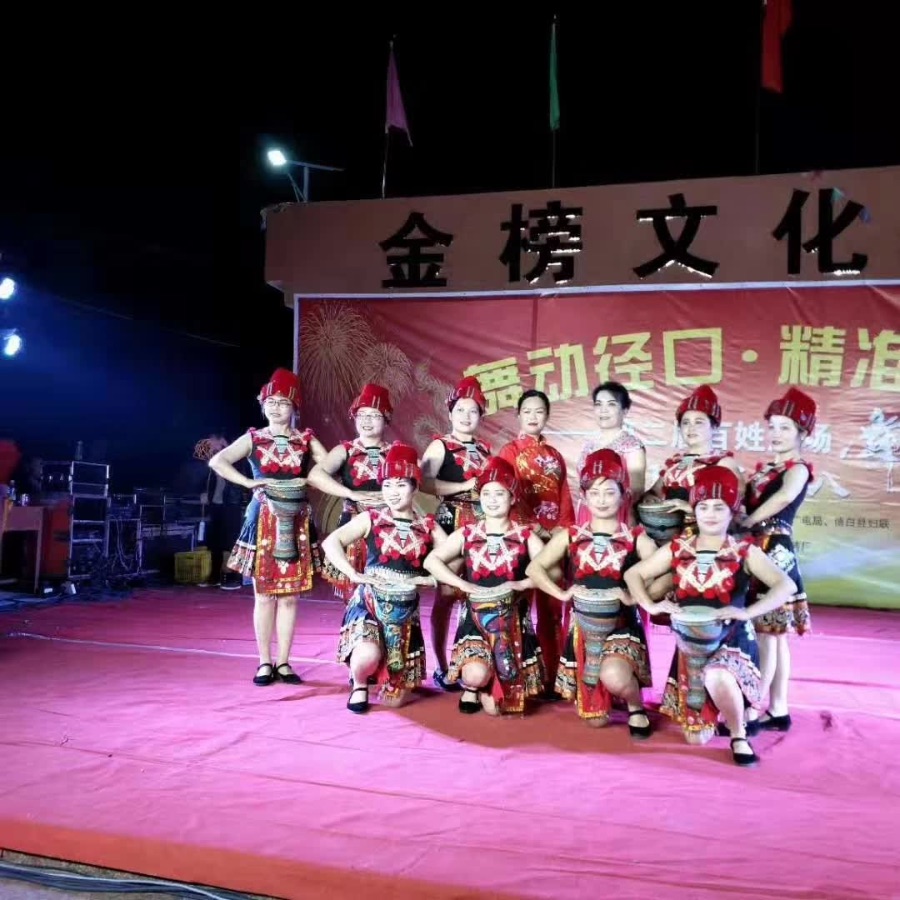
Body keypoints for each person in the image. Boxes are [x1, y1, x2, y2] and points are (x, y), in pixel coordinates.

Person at [623, 465, 796, 766]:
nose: (711, 514)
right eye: (703, 507)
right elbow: (634, 574)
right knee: (696, 739)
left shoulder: (743, 550)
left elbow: (786, 585)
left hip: (732, 640)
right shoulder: (678, 548)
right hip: (690, 648)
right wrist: (650, 606)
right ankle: (719, 707)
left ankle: (738, 733)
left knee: (717, 676)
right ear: (694, 510)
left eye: (719, 507)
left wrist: (746, 612)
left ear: (732, 511)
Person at [209, 368, 327, 686]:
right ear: (262, 406)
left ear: (294, 407)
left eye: (283, 402)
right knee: (264, 595)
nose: (276, 408)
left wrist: (312, 479)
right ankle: (264, 662)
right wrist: (247, 482)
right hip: (262, 519)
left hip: (296, 520)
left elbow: (330, 466)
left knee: (290, 597)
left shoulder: (306, 440)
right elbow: (217, 461)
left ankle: (284, 662)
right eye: (270, 402)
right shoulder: (254, 438)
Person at [526, 449, 656, 737]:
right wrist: (562, 594)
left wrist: (635, 597)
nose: (601, 500)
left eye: (609, 492)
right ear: (584, 496)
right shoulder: (571, 535)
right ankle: (611, 689)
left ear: (623, 495)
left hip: (621, 627)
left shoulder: (635, 538)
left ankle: (635, 705)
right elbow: (535, 568)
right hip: (584, 630)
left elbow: (664, 575)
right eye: (594, 493)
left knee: (614, 678)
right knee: (596, 721)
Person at [322, 443, 445, 713]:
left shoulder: (428, 526)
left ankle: (387, 670)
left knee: (396, 700)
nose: (392, 492)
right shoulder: (371, 518)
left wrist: (432, 579)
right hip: (370, 603)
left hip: (405, 613)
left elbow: (454, 557)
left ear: (414, 487)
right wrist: (353, 573)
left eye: (400, 485)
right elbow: (331, 542)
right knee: (366, 658)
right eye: (387, 485)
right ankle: (359, 682)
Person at [423, 457, 546, 716]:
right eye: (486, 494)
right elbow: (431, 561)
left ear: (512, 498)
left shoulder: (525, 536)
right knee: (475, 676)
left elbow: (548, 573)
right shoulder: (467, 534)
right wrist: (462, 584)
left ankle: (489, 683)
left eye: (499, 494)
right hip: (475, 622)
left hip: (511, 625)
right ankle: (473, 684)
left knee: (497, 709)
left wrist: (522, 583)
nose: (492, 500)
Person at [739, 387, 816, 735]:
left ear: (802, 433)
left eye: (785, 428)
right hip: (758, 547)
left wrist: (748, 520)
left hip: (774, 549)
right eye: (772, 426)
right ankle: (779, 709)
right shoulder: (765, 469)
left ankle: (752, 711)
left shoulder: (798, 469)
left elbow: (784, 497)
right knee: (775, 636)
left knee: (767, 634)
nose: (776, 433)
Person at [497, 389, 575, 697]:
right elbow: (507, 495)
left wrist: (562, 531)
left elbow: (564, 495)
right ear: (518, 415)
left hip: (552, 539)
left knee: (551, 607)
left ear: (547, 416)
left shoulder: (555, 455)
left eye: (539, 411)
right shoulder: (509, 452)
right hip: (522, 538)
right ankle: (517, 675)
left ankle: (552, 676)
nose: (533, 416)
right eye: (527, 411)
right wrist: (532, 528)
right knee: (517, 607)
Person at [420, 376, 492, 692]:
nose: (466, 416)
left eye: (473, 411)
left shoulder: (486, 449)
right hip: (451, 522)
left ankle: (475, 661)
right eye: (460, 410)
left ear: (480, 416)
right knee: (447, 595)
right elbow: (423, 482)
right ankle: (441, 665)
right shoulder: (440, 445)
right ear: (450, 413)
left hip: (481, 526)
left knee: (477, 594)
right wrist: (464, 486)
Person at [308, 383, 393, 600]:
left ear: (386, 419)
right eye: (361, 415)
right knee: (354, 592)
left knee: (388, 588)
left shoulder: (395, 452)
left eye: (373, 415)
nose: (366, 420)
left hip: (388, 527)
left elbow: (421, 478)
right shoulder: (344, 450)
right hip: (353, 524)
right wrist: (350, 493)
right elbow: (315, 476)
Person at [186, 433, 245, 589]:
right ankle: (214, 577)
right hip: (216, 504)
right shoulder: (214, 458)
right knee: (215, 541)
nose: (209, 445)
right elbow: (208, 479)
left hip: (231, 504)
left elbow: (239, 478)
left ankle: (232, 577)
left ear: (221, 440)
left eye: (212, 442)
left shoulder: (236, 456)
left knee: (230, 542)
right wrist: (204, 493)